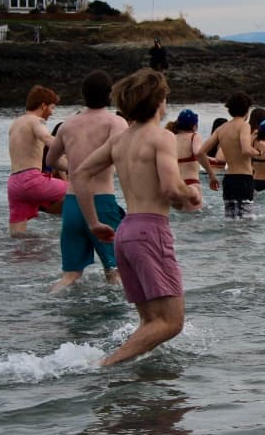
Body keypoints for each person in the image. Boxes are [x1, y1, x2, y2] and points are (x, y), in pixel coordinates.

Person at [72, 68, 201, 366]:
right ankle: (105, 366)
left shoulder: (120, 140)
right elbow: (171, 188)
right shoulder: (161, 137)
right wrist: (190, 195)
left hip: (125, 231)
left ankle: (139, 388)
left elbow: (80, 174)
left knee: (150, 321)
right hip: (150, 231)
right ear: (160, 100)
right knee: (171, 323)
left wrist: (93, 222)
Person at [45, 70, 129, 291]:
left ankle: (50, 302)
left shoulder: (67, 125)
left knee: (70, 275)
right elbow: (122, 157)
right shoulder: (115, 123)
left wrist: (75, 170)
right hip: (101, 202)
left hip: (72, 204)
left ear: (83, 95)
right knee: (115, 271)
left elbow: (50, 159)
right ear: (110, 95)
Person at [7, 85, 67, 236]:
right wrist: (71, 152)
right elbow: (46, 138)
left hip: (14, 184)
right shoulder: (36, 121)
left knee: (17, 235)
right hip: (31, 180)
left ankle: (18, 258)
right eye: (52, 108)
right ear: (43, 105)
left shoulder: (16, 124)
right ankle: (77, 232)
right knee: (78, 190)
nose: (52, 113)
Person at [196, 93, 260, 218]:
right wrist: (259, 151)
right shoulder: (244, 126)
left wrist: (211, 175)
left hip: (229, 180)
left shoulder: (221, 129)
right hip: (244, 179)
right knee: (245, 222)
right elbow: (246, 150)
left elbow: (199, 153)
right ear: (247, 111)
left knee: (231, 220)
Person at [168, 109, 203, 209]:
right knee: (194, 220)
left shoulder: (171, 138)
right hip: (191, 185)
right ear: (194, 126)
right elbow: (198, 153)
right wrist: (211, 173)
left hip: (175, 187)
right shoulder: (194, 137)